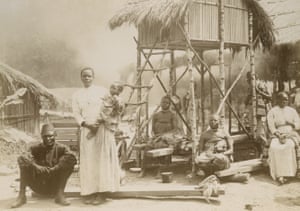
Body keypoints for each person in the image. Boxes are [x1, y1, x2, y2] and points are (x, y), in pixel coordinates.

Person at [11, 124, 77, 208]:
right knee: (24, 161)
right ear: (42, 137)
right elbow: (22, 158)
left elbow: (72, 158)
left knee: (69, 161)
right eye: (45, 136)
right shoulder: (35, 148)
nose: (48, 139)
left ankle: (60, 195)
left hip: (55, 185)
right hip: (38, 184)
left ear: (55, 135)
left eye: (50, 136)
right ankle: (22, 196)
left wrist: (55, 168)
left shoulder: (62, 148)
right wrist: (38, 168)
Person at [72, 67, 108, 205]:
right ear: (81, 78)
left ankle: (101, 193)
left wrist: (99, 124)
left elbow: (108, 108)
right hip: (86, 129)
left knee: (100, 160)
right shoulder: (76, 95)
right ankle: (89, 192)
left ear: (93, 77)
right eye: (84, 76)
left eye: (89, 76)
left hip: (101, 128)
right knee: (88, 161)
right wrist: (86, 125)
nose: (87, 78)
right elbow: (76, 113)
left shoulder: (102, 91)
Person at [267, 92, 300, 184]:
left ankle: (290, 173)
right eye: (282, 99)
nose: (284, 101)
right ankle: (279, 174)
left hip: (290, 133)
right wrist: (279, 135)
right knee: (274, 147)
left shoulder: (292, 111)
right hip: (278, 133)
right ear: (277, 100)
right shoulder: (272, 111)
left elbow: (298, 124)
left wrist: (291, 123)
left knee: (289, 146)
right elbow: (271, 126)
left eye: (286, 99)